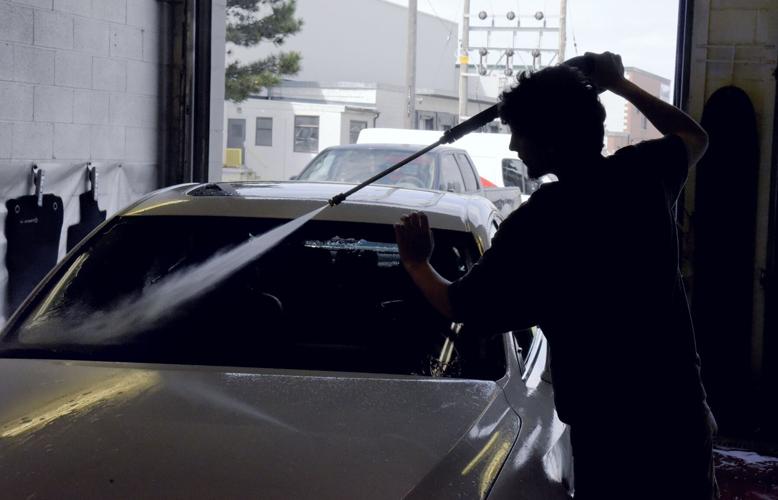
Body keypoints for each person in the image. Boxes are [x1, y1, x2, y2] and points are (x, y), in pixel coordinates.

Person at [394, 52, 718, 499]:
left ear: (549, 141)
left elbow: (459, 306)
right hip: (679, 417)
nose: (512, 148)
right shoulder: (641, 176)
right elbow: (694, 136)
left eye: (519, 134)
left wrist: (416, 262)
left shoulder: (539, 223)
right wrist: (619, 84)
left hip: (610, 436)